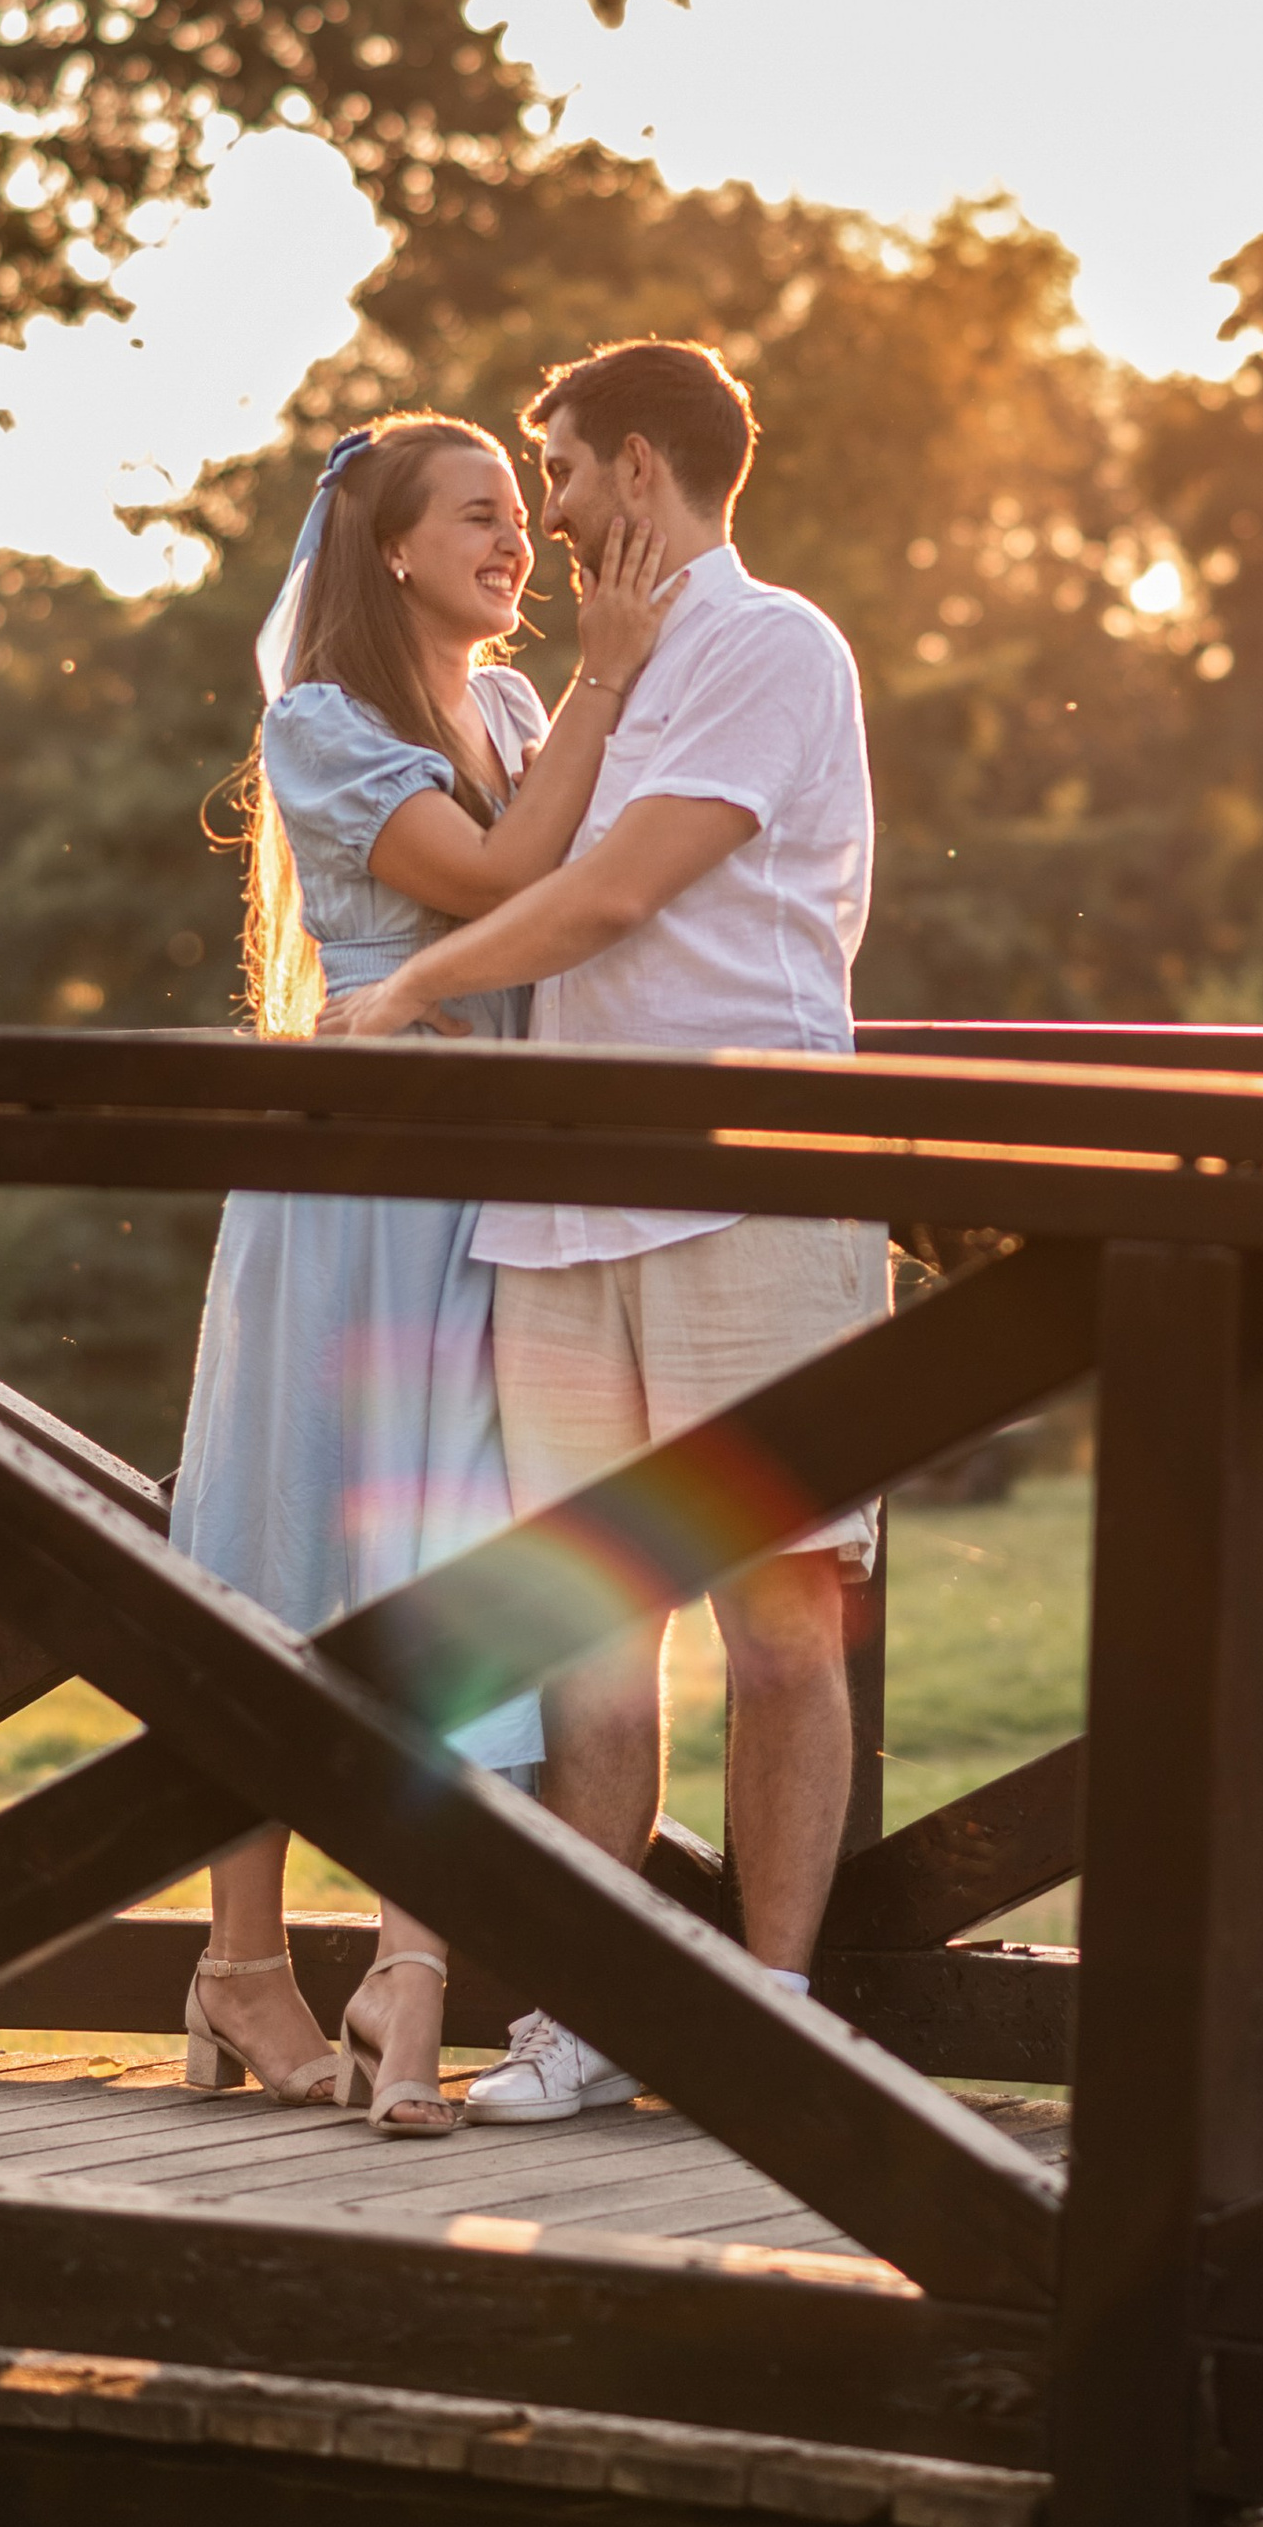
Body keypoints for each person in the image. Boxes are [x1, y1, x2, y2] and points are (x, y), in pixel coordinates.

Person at [320, 339, 884, 2123]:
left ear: (638, 469)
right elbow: (535, 865)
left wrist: (410, 989)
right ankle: (596, 2013)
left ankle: (776, 2006)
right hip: (560, 1219)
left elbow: (613, 895)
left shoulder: (769, 643)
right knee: (590, 1638)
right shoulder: (601, 674)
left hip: (746, 1196)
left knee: (784, 1616)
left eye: (557, 471)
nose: (547, 514)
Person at [167, 412, 676, 2137]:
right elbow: (494, 879)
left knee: (455, 1560)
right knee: (285, 1536)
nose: (518, 539)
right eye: (481, 514)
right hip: (355, 1192)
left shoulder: (520, 711)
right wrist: (608, 685)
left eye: (523, 516)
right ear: (388, 547)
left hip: (489, 1198)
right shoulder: (320, 726)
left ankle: (413, 1976)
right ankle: (241, 1961)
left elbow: (587, 899)